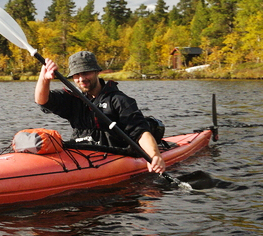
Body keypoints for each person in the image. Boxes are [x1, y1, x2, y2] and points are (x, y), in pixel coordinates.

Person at [34, 50, 167, 174]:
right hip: (79, 154)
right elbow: (42, 100)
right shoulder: (73, 99)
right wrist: (44, 78)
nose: (81, 79)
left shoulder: (119, 100)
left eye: (86, 73)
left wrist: (154, 155)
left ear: (97, 71)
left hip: (113, 156)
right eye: (77, 75)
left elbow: (140, 132)